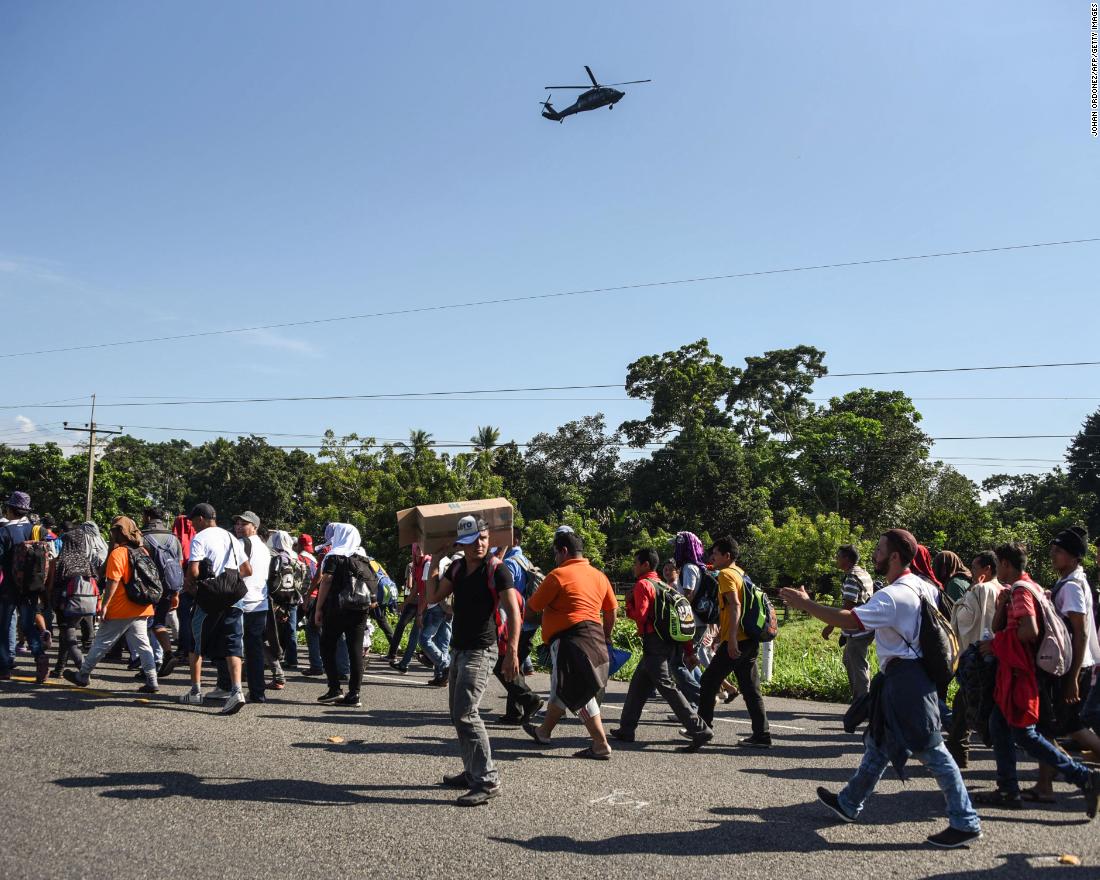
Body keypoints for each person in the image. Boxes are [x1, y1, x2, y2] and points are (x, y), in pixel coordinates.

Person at [780, 528, 982, 849]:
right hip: (908, 677)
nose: (874, 554)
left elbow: (849, 620)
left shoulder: (893, 595)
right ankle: (849, 802)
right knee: (879, 743)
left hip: (906, 682)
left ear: (895, 557)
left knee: (933, 751)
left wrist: (807, 604)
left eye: (879, 549)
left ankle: (965, 820)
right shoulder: (922, 586)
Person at [975, 541, 1100, 817]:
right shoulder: (1023, 588)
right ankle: (1008, 789)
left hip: (1020, 674)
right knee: (999, 724)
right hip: (1014, 673)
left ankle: (1082, 776)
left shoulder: (1021, 592)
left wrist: (996, 645)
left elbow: (1029, 630)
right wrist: (1001, 607)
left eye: (1000, 564)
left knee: (1024, 733)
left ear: (1006, 564)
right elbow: (1002, 625)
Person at [427, 516, 521, 805]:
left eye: (482, 538)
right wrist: (435, 561)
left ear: (488, 538)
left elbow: (513, 612)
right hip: (458, 648)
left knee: (467, 713)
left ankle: (487, 780)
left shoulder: (497, 570)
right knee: (458, 714)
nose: (478, 545)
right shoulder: (456, 568)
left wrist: (513, 652)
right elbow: (433, 595)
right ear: (462, 544)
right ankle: (472, 771)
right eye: (471, 541)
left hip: (482, 649)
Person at [522, 528, 616, 760]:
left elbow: (532, 607)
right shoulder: (599, 576)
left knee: (578, 692)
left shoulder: (558, 576)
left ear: (564, 551)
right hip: (594, 638)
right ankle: (544, 732)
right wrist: (606, 636)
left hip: (570, 641)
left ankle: (600, 743)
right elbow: (612, 610)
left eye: (555, 553)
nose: (555, 558)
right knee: (561, 689)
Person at [1023, 528, 1100, 803]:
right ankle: (1045, 784)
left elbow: (1079, 633)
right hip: (1073, 666)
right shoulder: (1071, 583)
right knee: (1055, 726)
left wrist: (1073, 677)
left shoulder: (1070, 587)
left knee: (1069, 726)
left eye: (1059, 552)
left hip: (1072, 667)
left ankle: (1049, 783)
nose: (1053, 555)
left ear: (1074, 557)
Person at [612, 548, 711, 749]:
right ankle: (626, 729)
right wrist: (689, 652)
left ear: (645, 565)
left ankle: (700, 730)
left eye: (635, 563)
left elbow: (639, 615)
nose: (633, 567)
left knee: (667, 687)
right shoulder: (665, 587)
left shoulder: (643, 585)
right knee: (638, 685)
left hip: (654, 644)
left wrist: (629, 604)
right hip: (671, 643)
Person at [63, 516, 159, 693]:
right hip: (142, 605)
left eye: (113, 531)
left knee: (101, 642)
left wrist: (105, 604)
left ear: (118, 533)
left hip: (121, 607)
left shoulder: (119, 553)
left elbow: (113, 581)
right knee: (143, 644)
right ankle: (152, 681)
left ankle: (83, 675)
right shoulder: (142, 551)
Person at [696, 537, 771, 748]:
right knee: (750, 689)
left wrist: (730, 639)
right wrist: (722, 633)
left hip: (737, 641)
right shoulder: (741, 573)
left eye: (716, 554)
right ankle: (762, 735)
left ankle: (703, 729)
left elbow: (735, 606)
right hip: (750, 639)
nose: (712, 557)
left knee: (709, 681)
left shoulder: (726, 574)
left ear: (727, 556)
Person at [179, 503, 252, 714]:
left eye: (193, 521)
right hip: (234, 598)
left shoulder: (200, 538)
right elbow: (247, 570)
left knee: (196, 641)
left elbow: (193, 571)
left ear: (201, 519)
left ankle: (195, 692)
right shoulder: (231, 538)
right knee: (232, 643)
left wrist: (197, 582)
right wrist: (227, 580)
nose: (192, 525)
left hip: (210, 599)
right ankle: (237, 691)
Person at [944, 550, 1002, 768]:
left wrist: (967, 594)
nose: (972, 573)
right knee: (963, 705)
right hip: (991, 656)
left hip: (977, 658)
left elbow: (965, 619)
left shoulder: (981, 589)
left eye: (975, 568)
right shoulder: (1001, 589)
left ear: (987, 569)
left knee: (976, 707)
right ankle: (958, 752)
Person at [313, 522, 370, 707]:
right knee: (355, 650)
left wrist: (318, 608)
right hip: (360, 608)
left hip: (337, 608)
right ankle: (354, 694)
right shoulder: (363, 557)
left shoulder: (334, 555)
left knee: (327, 645)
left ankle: (335, 688)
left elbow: (327, 581)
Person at [0, 492, 51, 682]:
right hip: (30, 585)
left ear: (11, 510)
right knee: (28, 625)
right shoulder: (34, 530)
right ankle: (40, 656)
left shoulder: (4, 532)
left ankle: (4, 667)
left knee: (5, 625)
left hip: (9, 587)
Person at [493, 536, 543, 726]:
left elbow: (506, 598)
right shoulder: (525, 560)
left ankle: (530, 700)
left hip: (516, 623)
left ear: (513, 540)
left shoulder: (508, 563)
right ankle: (514, 712)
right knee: (513, 667)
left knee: (503, 666)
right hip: (530, 622)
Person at [822, 544, 875, 704]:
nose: (836, 559)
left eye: (838, 556)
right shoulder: (863, 572)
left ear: (847, 559)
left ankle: (863, 702)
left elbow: (849, 606)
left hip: (858, 629)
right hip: (864, 626)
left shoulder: (852, 577)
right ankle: (861, 698)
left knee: (856, 663)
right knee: (850, 660)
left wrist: (831, 624)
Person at [49, 521, 102, 677]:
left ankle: (83, 669)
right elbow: (96, 579)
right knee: (66, 636)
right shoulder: (86, 562)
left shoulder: (63, 562)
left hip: (67, 603)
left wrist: (51, 602)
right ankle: (59, 668)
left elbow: (55, 584)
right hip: (86, 605)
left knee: (68, 636)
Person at [233, 511, 276, 704]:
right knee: (255, 649)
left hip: (242, 601)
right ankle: (258, 692)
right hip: (260, 602)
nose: (239, 527)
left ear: (255, 527)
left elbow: (235, 570)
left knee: (231, 646)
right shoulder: (265, 547)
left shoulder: (242, 544)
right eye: (238, 523)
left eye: (245, 524)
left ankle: (228, 687)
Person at [141, 507, 184, 678]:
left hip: (149, 588)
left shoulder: (143, 538)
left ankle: (152, 663)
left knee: (145, 625)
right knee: (158, 623)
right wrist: (176, 592)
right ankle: (167, 654)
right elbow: (178, 565)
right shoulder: (174, 539)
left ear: (149, 517)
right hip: (169, 586)